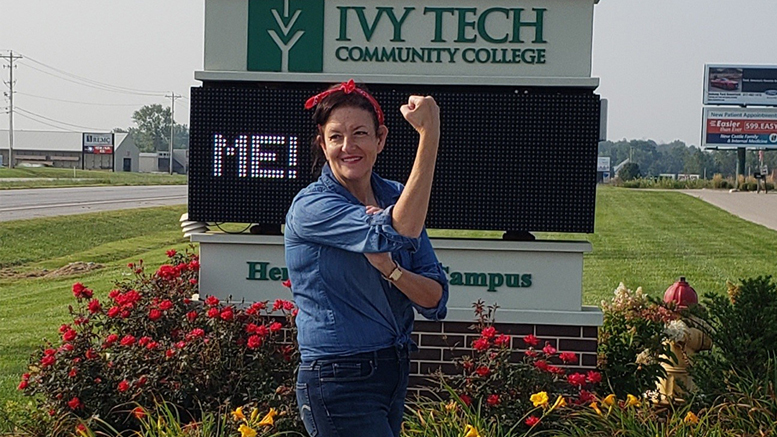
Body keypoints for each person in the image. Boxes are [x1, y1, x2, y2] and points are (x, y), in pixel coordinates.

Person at [284, 79, 449, 437]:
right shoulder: (312, 207)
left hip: (392, 369)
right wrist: (429, 137)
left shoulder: (398, 195)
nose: (348, 146)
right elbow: (399, 230)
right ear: (322, 144)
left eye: (359, 133)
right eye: (335, 136)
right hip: (338, 377)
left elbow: (435, 298)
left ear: (381, 139)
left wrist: (391, 269)